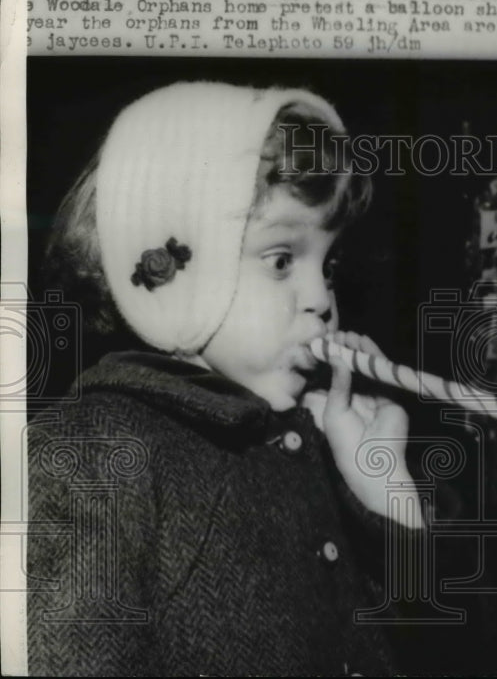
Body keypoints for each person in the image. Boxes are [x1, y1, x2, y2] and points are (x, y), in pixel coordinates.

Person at [27, 82, 427, 676]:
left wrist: (383, 489)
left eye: (330, 264)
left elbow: (451, 651)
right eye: (282, 259)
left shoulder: (315, 438)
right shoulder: (97, 447)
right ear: (182, 276)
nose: (321, 298)